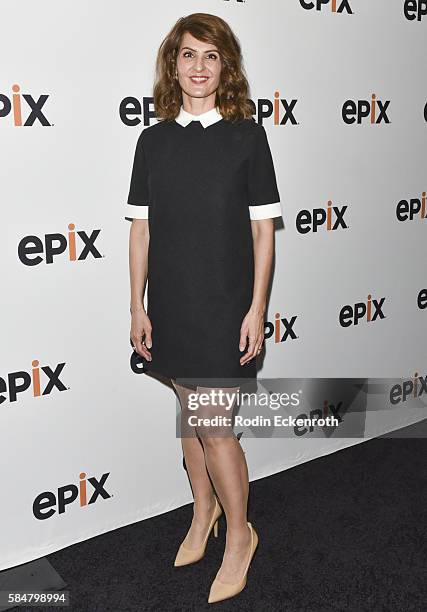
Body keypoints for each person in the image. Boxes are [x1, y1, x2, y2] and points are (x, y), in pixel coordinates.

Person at [126, 12, 282, 604]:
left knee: (215, 426)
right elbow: (140, 231)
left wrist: (256, 308)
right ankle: (203, 514)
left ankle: (240, 535)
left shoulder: (247, 135)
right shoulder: (152, 139)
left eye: (211, 56)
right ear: (174, 63)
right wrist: (138, 306)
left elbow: (265, 233)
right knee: (191, 420)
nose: (198, 66)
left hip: (223, 306)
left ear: (227, 67)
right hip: (171, 303)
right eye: (188, 54)